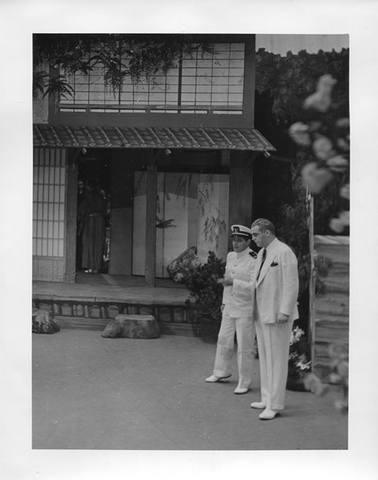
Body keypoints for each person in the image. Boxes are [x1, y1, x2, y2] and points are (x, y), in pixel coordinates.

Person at [250, 218, 299, 420]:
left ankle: (275, 404)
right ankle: (267, 398)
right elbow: (256, 283)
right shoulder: (262, 253)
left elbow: (291, 283)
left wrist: (284, 311)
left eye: (255, 234)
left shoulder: (284, 251)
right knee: (265, 357)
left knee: (277, 360)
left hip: (278, 314)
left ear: (267, 232)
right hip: (262, 312)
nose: (253, 239)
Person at [205, 224, 257, 394]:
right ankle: (220, 372)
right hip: (230, 306)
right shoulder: (230, 256)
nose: (235, 244)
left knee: (244, 346)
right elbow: (227, 281)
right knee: (223, 339)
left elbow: (254, 286)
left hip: (245, 308)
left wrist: (235, 283)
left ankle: (244, 382)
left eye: (240, 240)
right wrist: (224, 302)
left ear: (248, 241)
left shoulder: (254, 259)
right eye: (234, 240)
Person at [78, 178, 106, 274]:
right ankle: (96, 267)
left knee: (87, 243)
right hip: (100, 221)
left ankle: (88, 266)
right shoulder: (101, 197)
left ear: (88, 186)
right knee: (98, 243)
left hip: (89, 220)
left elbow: (81, 212)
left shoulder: (86, 197)